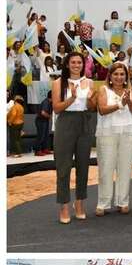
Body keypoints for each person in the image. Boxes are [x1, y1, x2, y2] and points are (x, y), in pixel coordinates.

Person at [52, 52, 97, 224]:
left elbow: (91, 107)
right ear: (67, 64)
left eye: (79, 62)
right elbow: (56, 108)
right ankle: (64, 205)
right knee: (63, 167)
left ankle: (79, 203)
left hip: (84, 122)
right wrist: (72, 97)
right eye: (73, 62)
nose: (76, 65)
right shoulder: (58, 83)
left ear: (83, 65)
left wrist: (92, 100)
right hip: (65, 123)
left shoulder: (90, 82)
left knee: (83, 166)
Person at [95, 62, 132, 216]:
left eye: (122, 74)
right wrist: (120, 104)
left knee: (125, 167)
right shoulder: (103, 89)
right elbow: (102, 110)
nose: (119, 77)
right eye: (116, 74)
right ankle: (103, 203)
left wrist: (128, 102)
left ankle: (123, 202)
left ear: (126, 77)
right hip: (107, 132)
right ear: (110, 76)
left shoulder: (131, 91)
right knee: (106, 168)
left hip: (128, 132)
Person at [34, 90, 52, 156]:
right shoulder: (46, 102)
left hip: (45, 120)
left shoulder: (50, 102)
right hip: (40, 120)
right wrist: (50, 116)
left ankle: (44, 148)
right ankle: (37, 150)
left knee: (46, 135)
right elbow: (43, 112)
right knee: (41, 135)